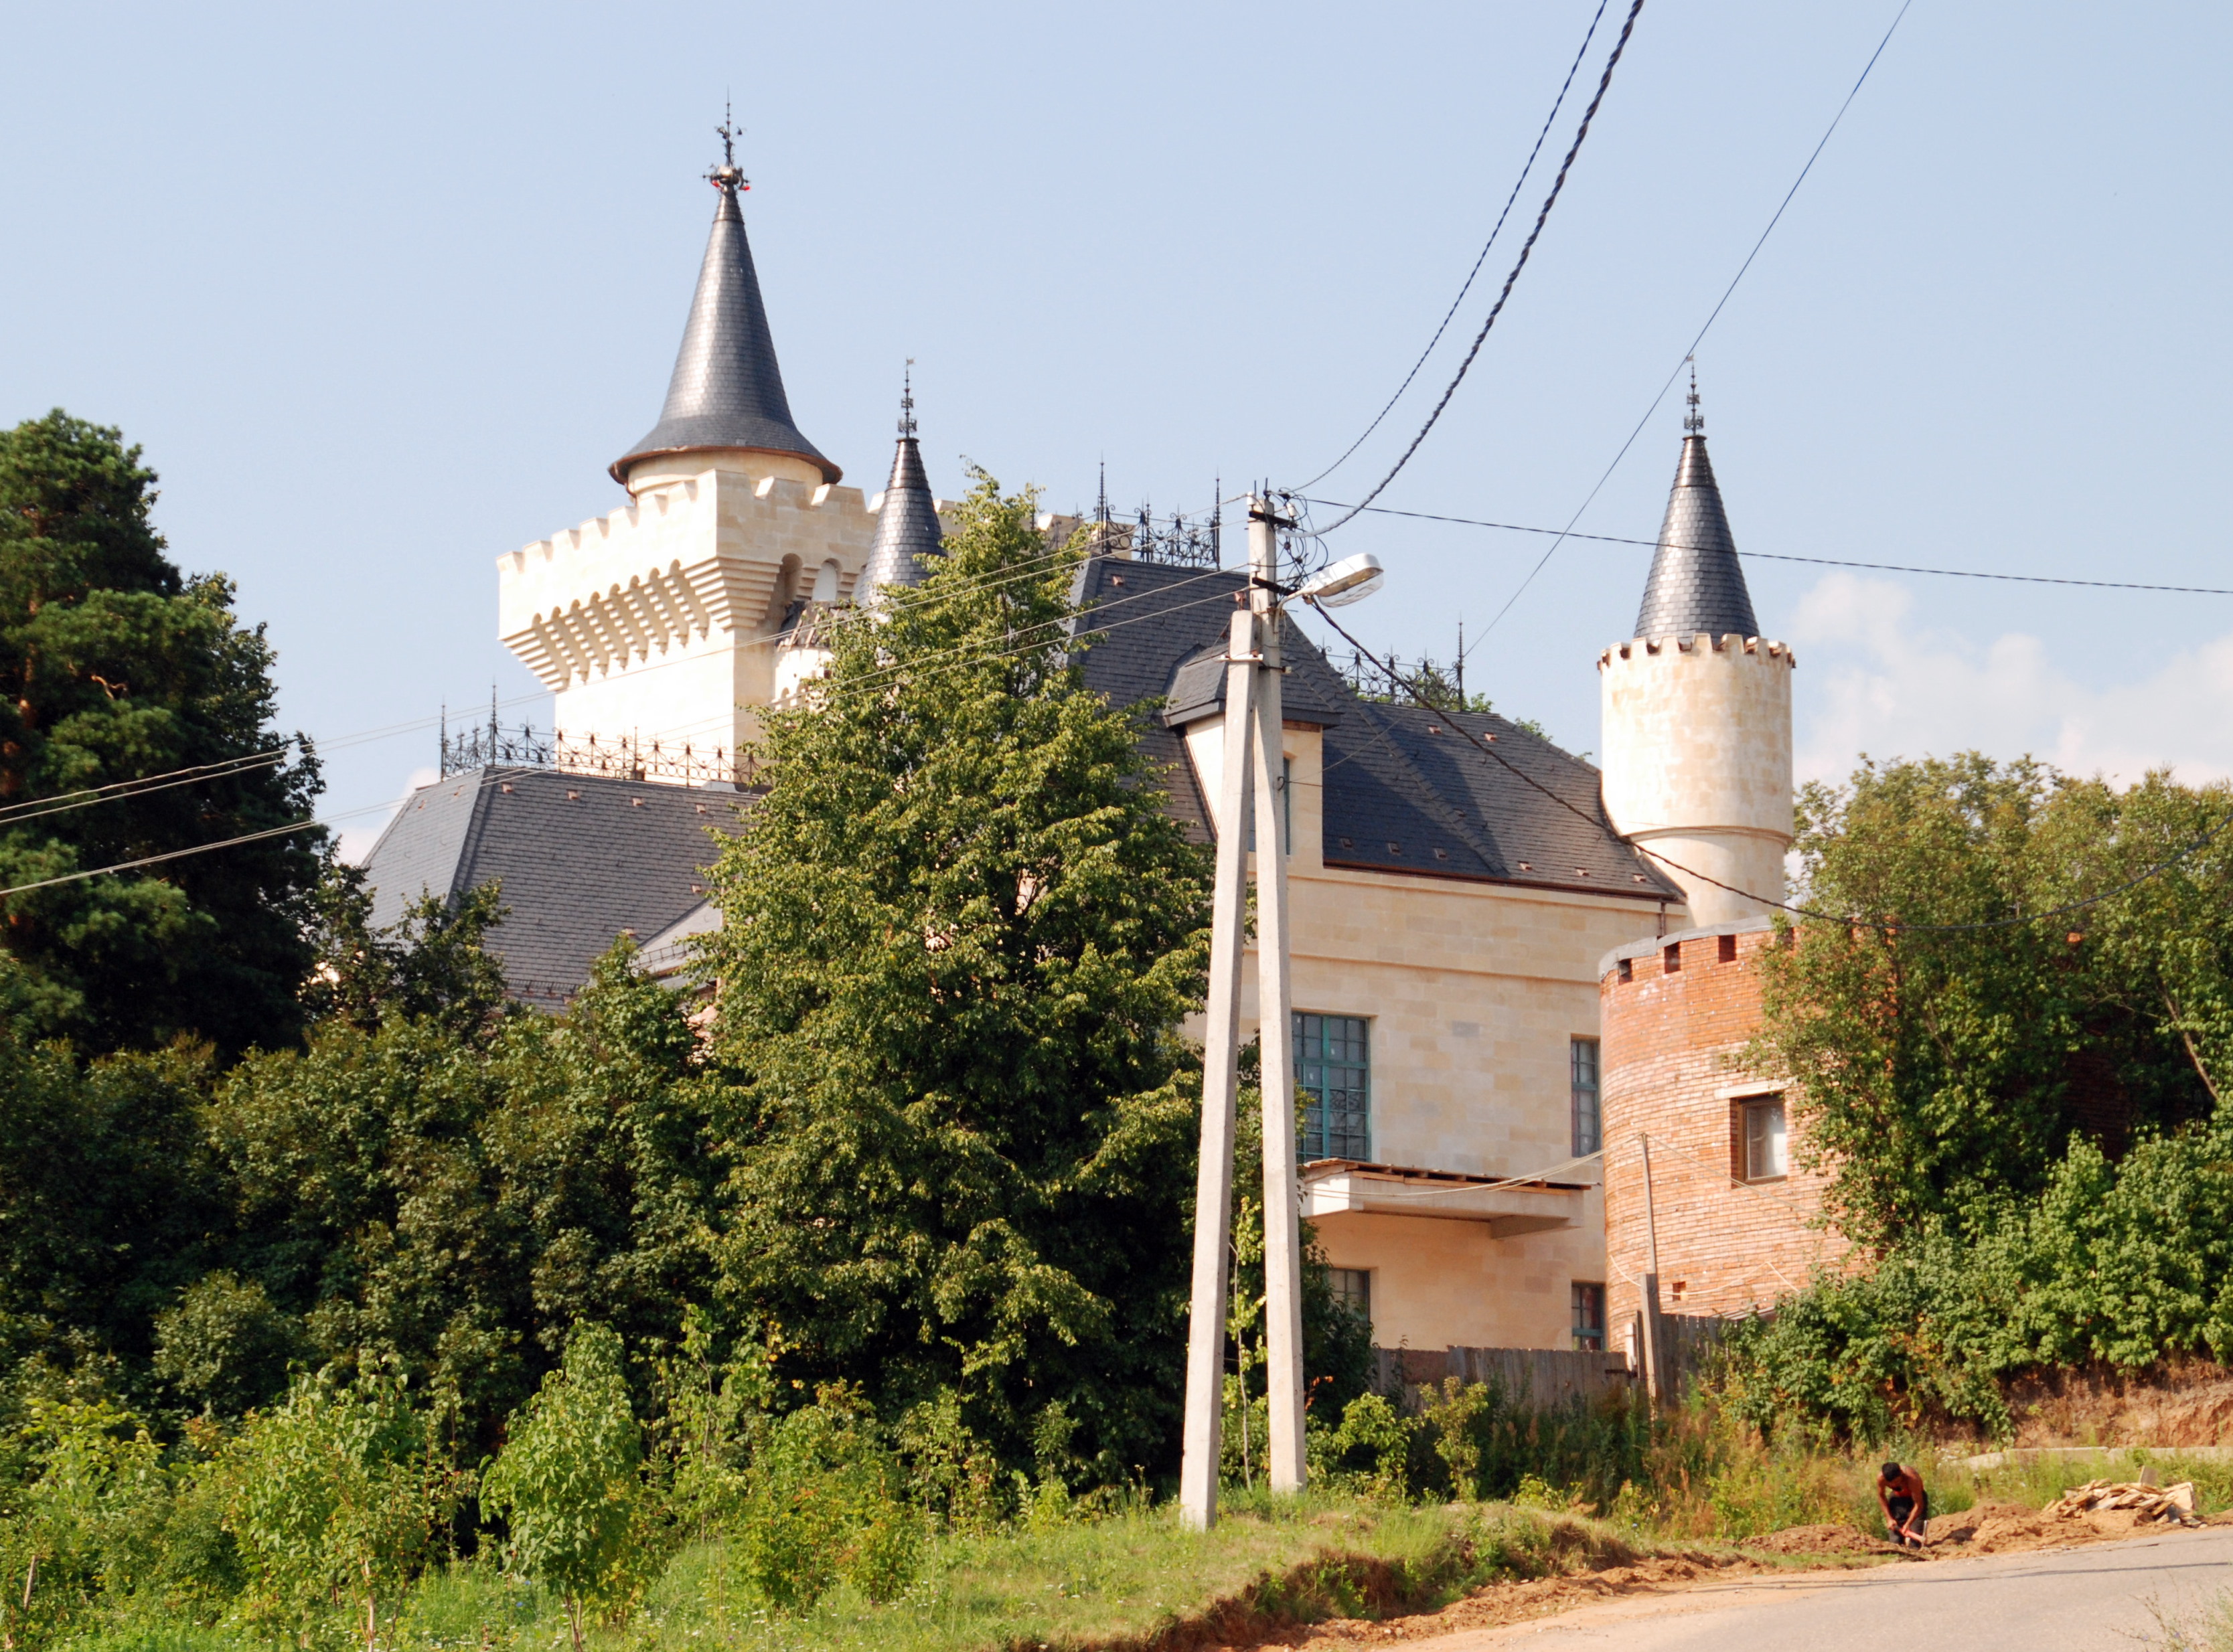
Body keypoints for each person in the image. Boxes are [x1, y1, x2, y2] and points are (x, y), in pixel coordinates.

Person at [1877, 1461, 1929, 1548]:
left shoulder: (1912, 1479)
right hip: (1897, 1499)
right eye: (1891, 1483)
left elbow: (1918, 1505)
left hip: (1915, 1501)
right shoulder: (1881, 1478)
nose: (1894, 1485)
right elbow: (1881, 1496)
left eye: (1897, 1481)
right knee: (1895, 1543)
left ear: (1901, 1474)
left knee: (1914, 1545)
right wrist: (1889, 1519)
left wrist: (1908, 1524)